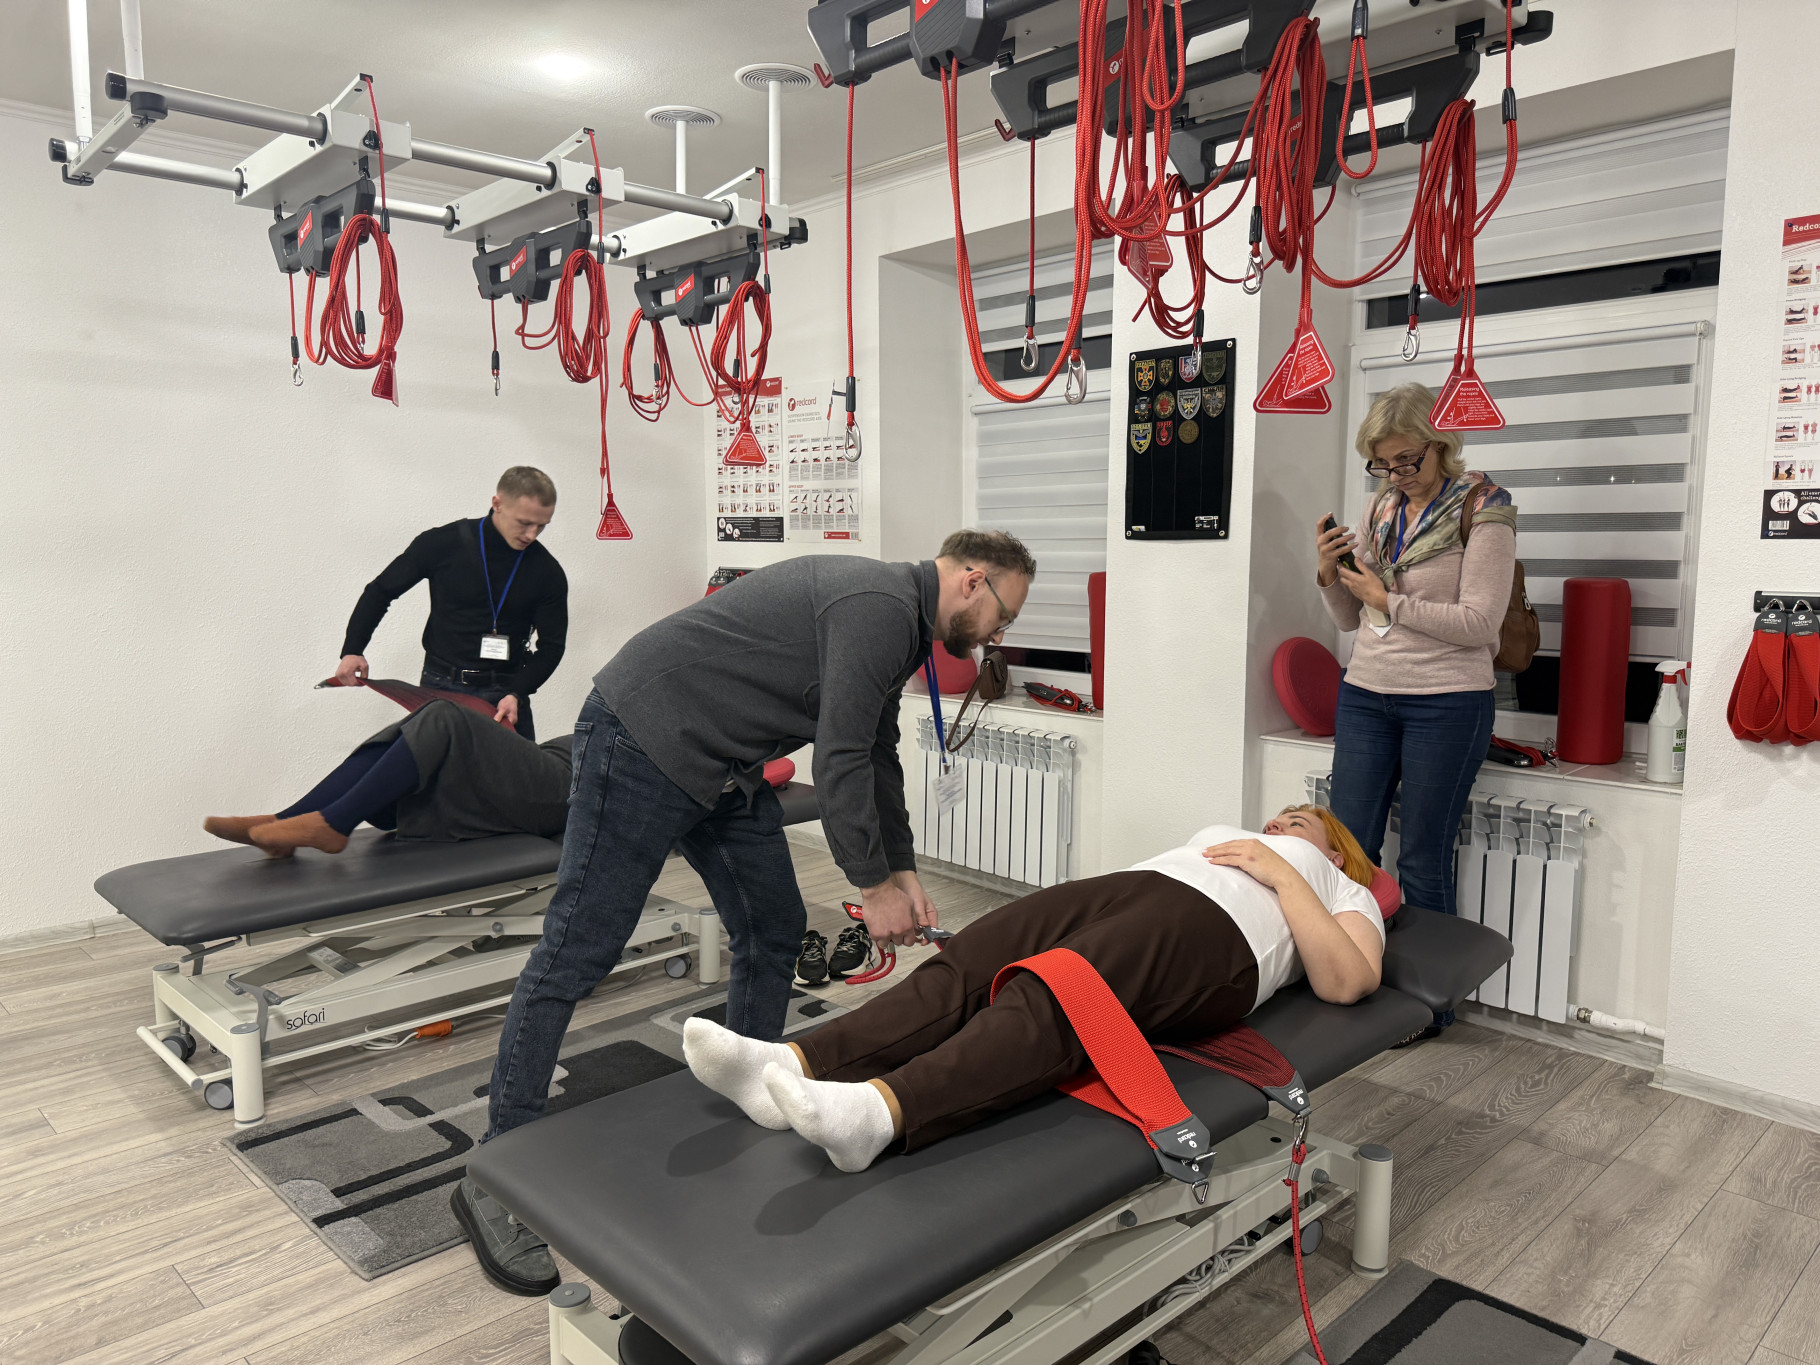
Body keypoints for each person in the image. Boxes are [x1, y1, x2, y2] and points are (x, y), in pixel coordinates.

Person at [452, 530, 1036, 1296]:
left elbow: (876, 752)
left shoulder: (900, 622)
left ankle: (751, 1075)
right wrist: (874, 885)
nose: (998, 635)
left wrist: (902, 871)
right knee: (578, 949)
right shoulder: (880, 606)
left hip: (722, 764)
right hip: (642, 737)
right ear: (972, 579)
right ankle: (495, 1169)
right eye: (1003, 615)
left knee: (775, 926)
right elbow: (840, 759)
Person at [683, 806, 1385, 1173]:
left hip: (1218, 934)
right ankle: (796, 1060)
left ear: (1336, 851)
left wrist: (1283, 869)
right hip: (1138, 886)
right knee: (972, 958)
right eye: (1279, 817)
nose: (1279, 822)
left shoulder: (1342, 886)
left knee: (1055, 993)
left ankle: (880, 1114)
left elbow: (1348, 980)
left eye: (1301, 821)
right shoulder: (1238, 837)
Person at [1313, 382, 1517, 1046]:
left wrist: (1389, 600)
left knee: (1425, 859)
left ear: (1442, 444)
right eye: (1382, 463)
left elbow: (1479, 623)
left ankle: (1428, 1009)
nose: (1396, 474)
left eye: (1408, 459)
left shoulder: (1485, 507)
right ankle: (1353, 982)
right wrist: (1331, 576)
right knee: (1348, 851)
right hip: (1366, 692)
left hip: (1447, 702)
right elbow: (1353, 619)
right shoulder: (1381, 509)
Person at [336, 467, 568, 741]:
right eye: (524, 523)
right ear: (497, 504)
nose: (531, 534)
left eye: (541, 526)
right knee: (431, 768)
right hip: (439, 685)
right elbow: (381, 591)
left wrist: (518, 692)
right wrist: (353, 649)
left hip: (504, 693)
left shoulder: (547, 571)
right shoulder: (443, 544)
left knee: (522, 771)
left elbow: (552, 647)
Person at [201, 699, 571, 856]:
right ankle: (284, 821)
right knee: (426, 721)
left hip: (572, 782)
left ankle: (333, 825)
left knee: (444, 717)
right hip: (555, 759)